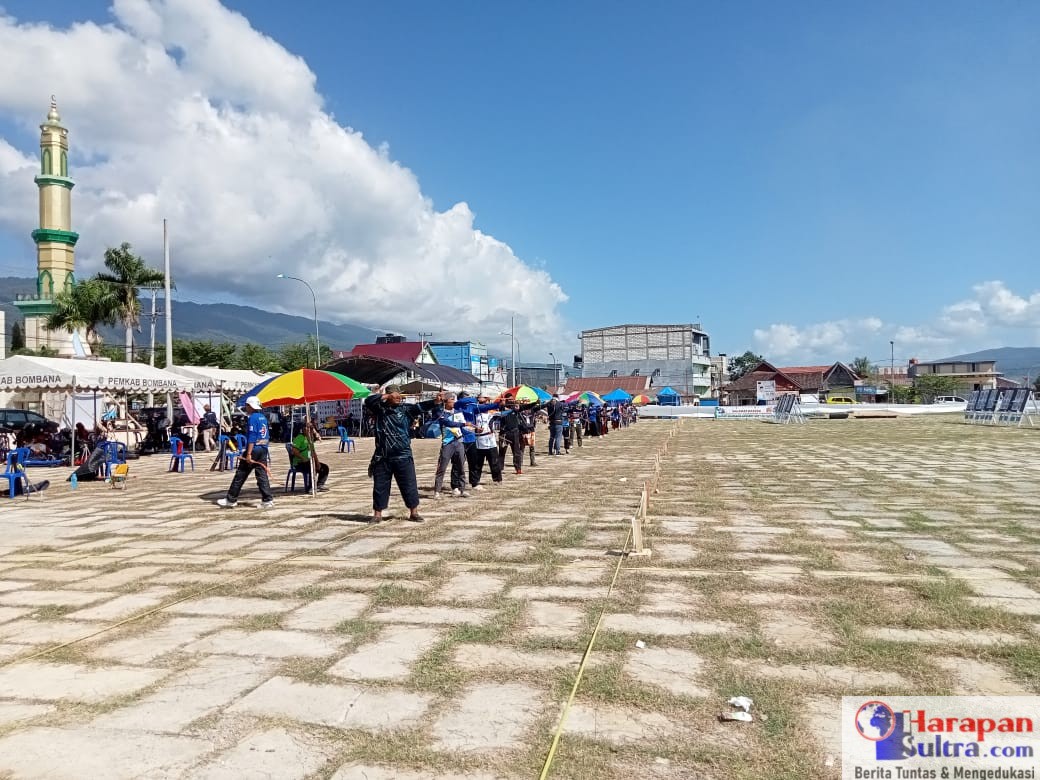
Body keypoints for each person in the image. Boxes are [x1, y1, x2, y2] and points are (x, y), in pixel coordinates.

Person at [364, 385, 441, 523]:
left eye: (400, 395)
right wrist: (386, 396)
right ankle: (377, 514)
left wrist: (435, 401)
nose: (399, 397)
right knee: (380, 486)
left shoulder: (405, 409)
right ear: (388, 396)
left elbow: (420, 407)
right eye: (395, 395)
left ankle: (414, 512)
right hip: (382, 456)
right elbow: (368, 401)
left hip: (403, 454)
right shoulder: (379, 409)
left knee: (409, 485)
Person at [217, 396, 273, 509]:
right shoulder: (263, 417)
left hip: (254, 449)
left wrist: (248, 453)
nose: (246, 408)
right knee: (262, 475)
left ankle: (231, 499)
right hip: (263, 449)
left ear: (250, 406)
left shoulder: (252, 418)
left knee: (240, 474)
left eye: (246, 406)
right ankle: (267, 500)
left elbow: (252, 437)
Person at [432, 393, 474, 498]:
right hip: (447, 443)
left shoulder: (458, 412)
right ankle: (437, 491)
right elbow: (447, 423)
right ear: (445, 401)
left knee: (461, 466)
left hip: (459, 442)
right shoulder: (441, 413)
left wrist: (473, 429)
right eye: (451, 399)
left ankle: (462, 489)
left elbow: (463, 426)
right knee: (442, 467)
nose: (454, 402)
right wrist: (463, 424)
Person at [465, 392, 503, 489]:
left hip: (490, 440)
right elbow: (469, 425)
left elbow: (504, 412)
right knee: (477, 463)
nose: (484, 406)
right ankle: (475, 481)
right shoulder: (474, 411)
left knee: (494, 461)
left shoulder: (492, 412)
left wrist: (502, 403)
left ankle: (497, 479)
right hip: (478, 440)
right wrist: (475, 429)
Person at [291, 420, 329, 491]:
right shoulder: (299, 438)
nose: (309, 430)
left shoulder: (310, 439)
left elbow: (313, 452)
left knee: (324, 468)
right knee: (311, 467)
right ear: (303, 429)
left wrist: (317, 462)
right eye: (307, 428)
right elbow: (294, 451)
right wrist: (302, 458)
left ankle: (320, 485)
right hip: (300, 462)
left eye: (311, 428)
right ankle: (310, 487)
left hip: (309, 460)